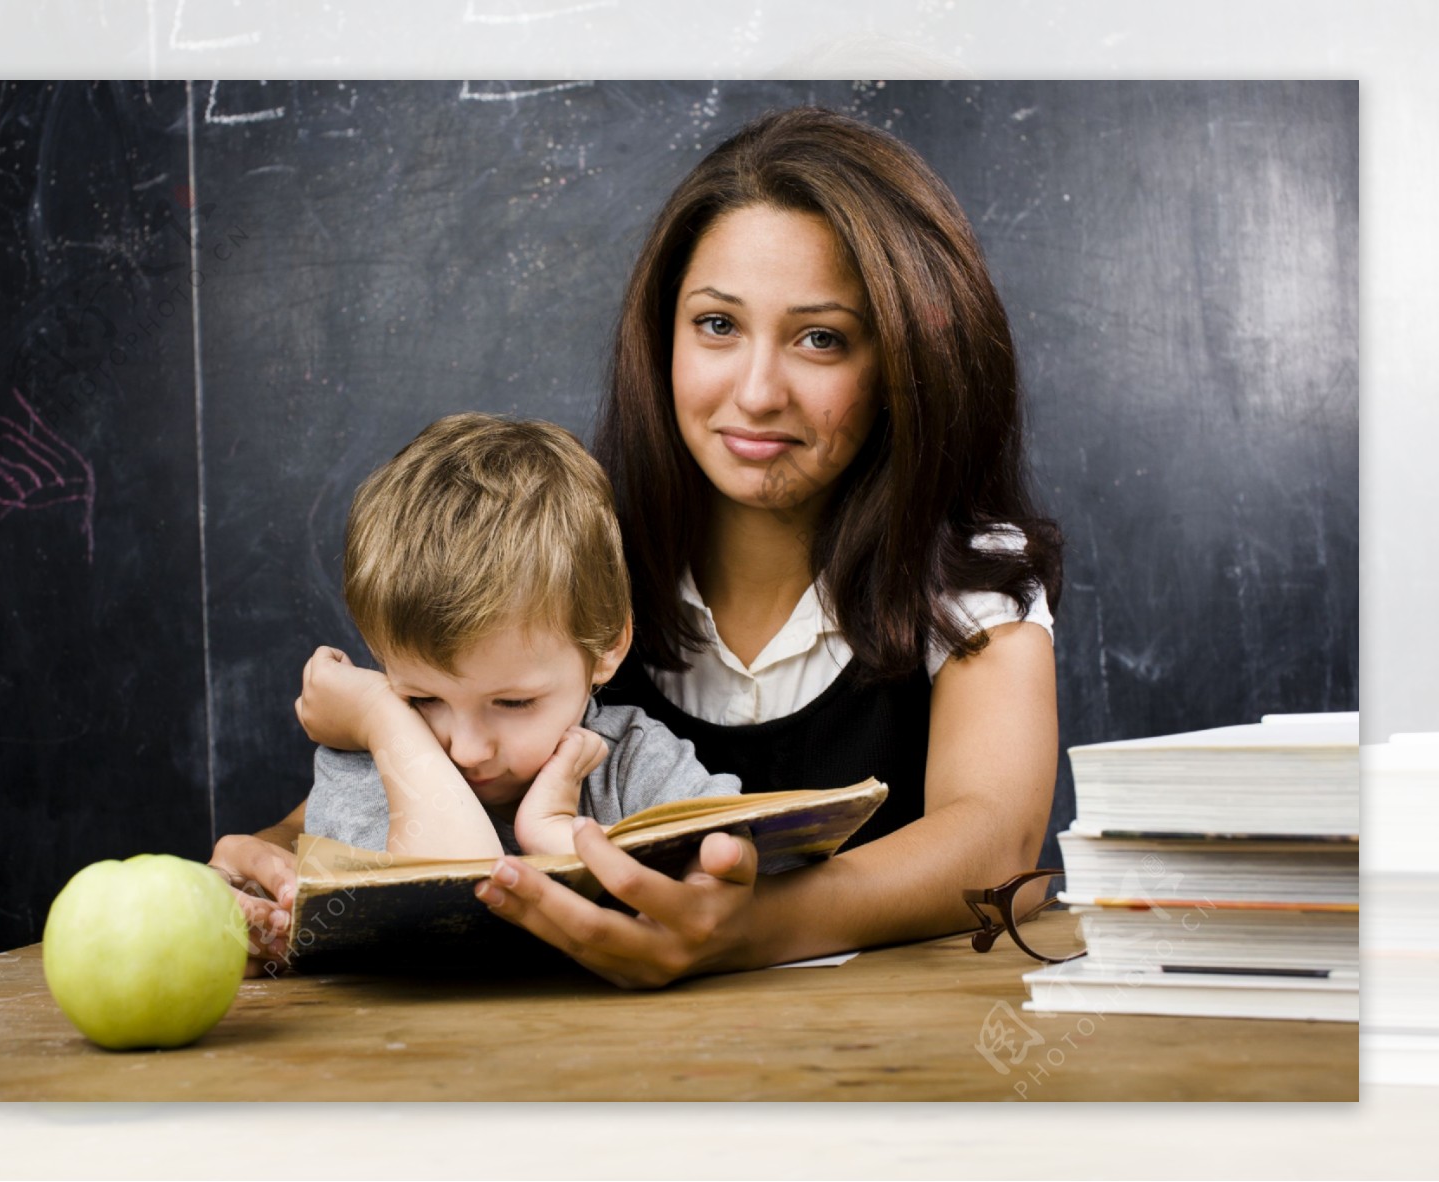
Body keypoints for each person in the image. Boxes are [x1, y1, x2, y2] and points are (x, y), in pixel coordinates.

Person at [213, 106, 1062, 986]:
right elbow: (387, 792)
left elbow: (997, 842)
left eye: (822, 338)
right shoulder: (571, 555)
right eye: (717, 326)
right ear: (660, 336)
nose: (758, 390)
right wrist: (273, 859)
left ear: (903, 363)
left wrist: (748, 929)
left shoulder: (967, 573)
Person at [216, 413, 739, 974]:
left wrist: (559, 834)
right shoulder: (372, 765)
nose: (465, 750)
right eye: (421, 701)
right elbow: (444, 892)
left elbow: (732, 874)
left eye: (513, 703)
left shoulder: (633, 760)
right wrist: (380, 718)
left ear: (608, 647)